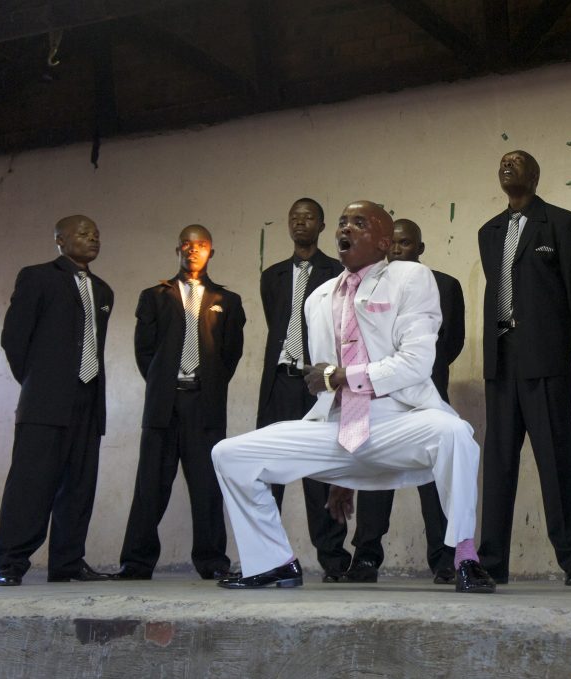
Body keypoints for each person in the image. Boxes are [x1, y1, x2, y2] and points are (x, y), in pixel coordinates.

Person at [210, 200, 494, 594]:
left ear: (383, 242)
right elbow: (328, 385)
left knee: (456, 433)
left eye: (359, 223)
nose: (346, 228)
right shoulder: (318, 298)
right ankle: (273, 561)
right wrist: (342, 471)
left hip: (401, 420)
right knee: (229, 454)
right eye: (343, 222)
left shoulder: (411, 277)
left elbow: (415, 363)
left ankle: (465, 556)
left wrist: (344, 376)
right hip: (339, 427)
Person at [476, 150, 571, 585]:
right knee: (498, 465)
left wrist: (561, 347)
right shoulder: (489, 231)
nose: (507, 166)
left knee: (555, 459)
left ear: (536, 174)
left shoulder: (561, 223)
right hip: (502, 359)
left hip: (545, 360)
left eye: (517, 161)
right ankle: (491, 562)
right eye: (502, 162)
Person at [115, 224, 246, 580]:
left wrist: (209, 385)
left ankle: (212, 561)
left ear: (211, 252)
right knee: (150, 484)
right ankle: (136, 562)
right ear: (177, 250)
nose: (193, 249)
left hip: (204, 406)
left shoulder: (227, 300)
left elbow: (231, 354)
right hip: (163, 404)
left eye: (201, 244)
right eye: (186, 244)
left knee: (207, 486)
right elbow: (145, 352)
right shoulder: (154, 296)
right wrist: (164, 383)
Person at [0, 216, 114, 586]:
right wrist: (38, 382)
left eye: (96, 234)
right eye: (83, 233)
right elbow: (14, 338)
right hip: (45, 400)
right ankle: (10, 562)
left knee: (79, 486)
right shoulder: (38, 277)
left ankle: (68, 563)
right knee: (31, 483)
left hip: (89, 399)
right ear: (60, 240)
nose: (92, 238)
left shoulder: (103, 290)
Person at [346, 219, 463, 584]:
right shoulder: (364, 286)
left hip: (427, 395)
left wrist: (417, 374)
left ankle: (444, 559)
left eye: (406, 243)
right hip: (380, 398)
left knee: (435, 478)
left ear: (420, 248)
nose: (397, 249)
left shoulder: (445, 285)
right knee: (376, 474)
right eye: (392, 243)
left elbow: (452, 343)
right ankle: (366, 557)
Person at [257, 198, 351, 583]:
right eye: (294, 218)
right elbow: (276, 321)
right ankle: (266, 558)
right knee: (270, 469)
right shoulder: (272, 276)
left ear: (322, 225)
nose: (300, 223)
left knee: (321, 471)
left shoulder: (336, 271)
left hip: (318, 383)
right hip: (280, 381)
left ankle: (334, 560)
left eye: (308, 217)